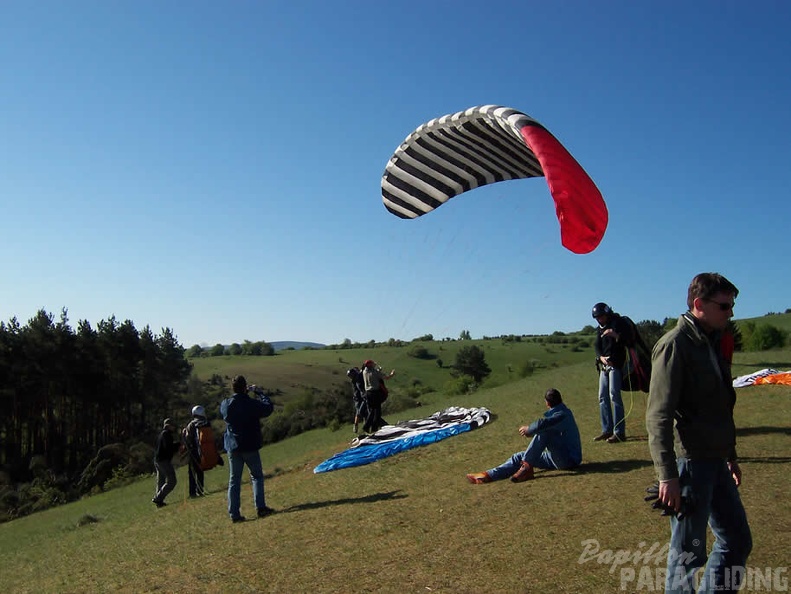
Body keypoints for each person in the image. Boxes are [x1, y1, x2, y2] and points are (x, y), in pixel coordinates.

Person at [646, 272, 751, 592]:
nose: (730, 312)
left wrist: (729, 455)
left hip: (715, 459)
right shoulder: (674, 345)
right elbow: (657, 416)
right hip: (690, 463)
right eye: (724, 306)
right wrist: (667, 477)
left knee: (736, 539)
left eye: (732, 305)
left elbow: (720, 404)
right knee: (687, 556)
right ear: (698, 304)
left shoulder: (712, 341)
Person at [466, 388, 582, 484]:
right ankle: (488, 475)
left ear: (547, 403)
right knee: (520, 456)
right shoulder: (561, 413)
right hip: (555, 458)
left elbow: (541, 425)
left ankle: (526, 469)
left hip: (569, 460)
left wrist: (528, 430)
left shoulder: (562, 415)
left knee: (545, 432)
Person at [220, 375, 275, 523]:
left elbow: (224, 414)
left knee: (234, 481)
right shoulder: (251, 404)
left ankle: (234, 514)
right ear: (245, 388)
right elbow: (268, 408)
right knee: (256, 476)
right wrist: (259, 393)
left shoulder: (226, 404)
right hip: (250, 445)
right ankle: (261, 507)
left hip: (233, 446)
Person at [592, 302, 634, 443]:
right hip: (604, 366)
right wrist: (601, 358)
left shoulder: (618, 323)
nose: (599, 320)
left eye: (601, 317)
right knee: (602, 397)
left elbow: (628, 341)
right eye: (597, 318)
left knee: (614, 395)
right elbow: (597, 345)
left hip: (616, 365)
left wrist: (614, 334)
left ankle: (619, 432)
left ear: (607, 314)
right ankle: (607, 430)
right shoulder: (600, 329)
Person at [182, 405, 223, 498]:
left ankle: (192, 493)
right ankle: (200, 490)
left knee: (192, 472)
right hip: (204, 451)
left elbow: (188, 438)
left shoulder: (191, 424)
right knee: (200, 471)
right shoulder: (206, 423)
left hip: (194, 451)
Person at [152, 418, 180, 508]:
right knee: (172, 481)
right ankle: (158, 498)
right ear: (169, 426)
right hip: (163, 461)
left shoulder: (162, 434)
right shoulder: (166, 435)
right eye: (172, 426)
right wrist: (179, 445)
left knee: (161, 481)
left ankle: (159, 502)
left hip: (157, 460)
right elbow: (169, 448)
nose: (174, 428)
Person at [361, 359, 395, 434]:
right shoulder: (375, 372)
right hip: (374, 393)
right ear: (370, 365)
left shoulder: (364, 372)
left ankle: (366, 427)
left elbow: (372, 373)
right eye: (373, 364)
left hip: (368, 393)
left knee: (372, 411)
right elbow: (386, 377)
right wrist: (392, 374)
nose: (374, 364)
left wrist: (378, 370)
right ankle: (374, 428)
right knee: (377, 412)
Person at [346, 367, 368, 434]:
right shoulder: (355, 380)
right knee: (359, 413)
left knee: (363, 412)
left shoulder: (355, 379)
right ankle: (356, 426)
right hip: (358, 398)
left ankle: (364, 426)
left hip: (360, 398)